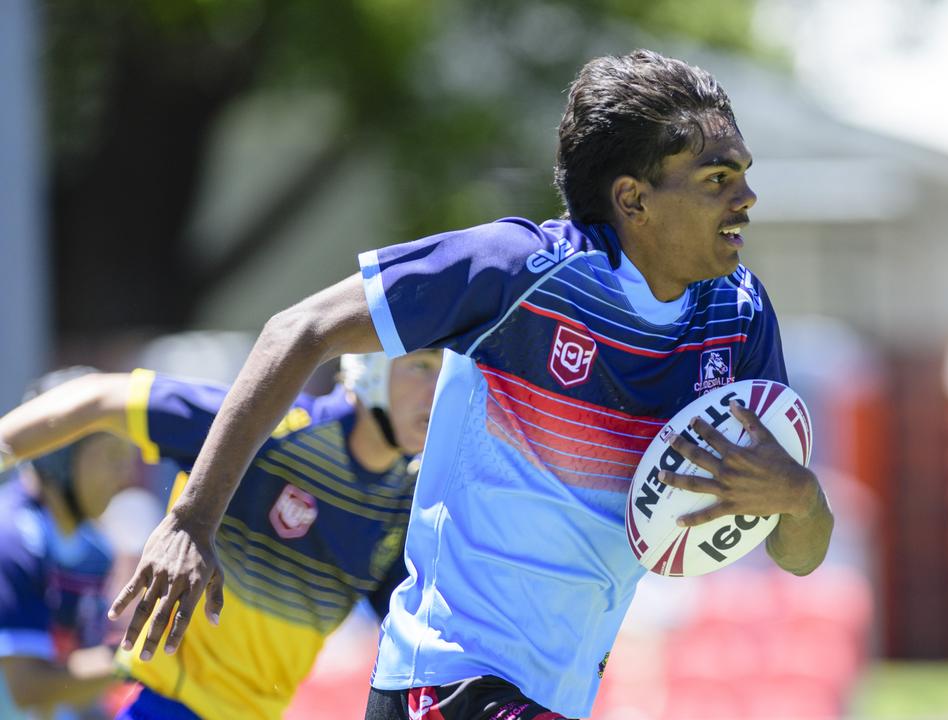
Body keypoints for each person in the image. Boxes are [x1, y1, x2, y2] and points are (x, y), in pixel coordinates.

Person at [113, 49, 835, 720]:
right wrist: (189, 522)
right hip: (448, 680)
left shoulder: (737, 317)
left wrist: (798, 498)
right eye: (718, 178)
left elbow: (798, 553)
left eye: (742, 171)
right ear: (632, 199)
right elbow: (296, 331)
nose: (747, 196)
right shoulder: (517, 271)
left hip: (557, 694)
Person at [0, 351, 442, 719]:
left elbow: (422, 650)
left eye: (446, 372)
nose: (436, 388)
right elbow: (97, 396)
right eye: (421, 365)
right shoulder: (269, 429)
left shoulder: (406, 505)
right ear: (369, 367)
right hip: (164, 708)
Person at [0, 367, 134, 719]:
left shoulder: (96, 551)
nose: (123, 474)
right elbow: (27, 687)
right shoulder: (10, 537)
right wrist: (145, 652)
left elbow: (81, 692)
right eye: (111, 454)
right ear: (57, 452)